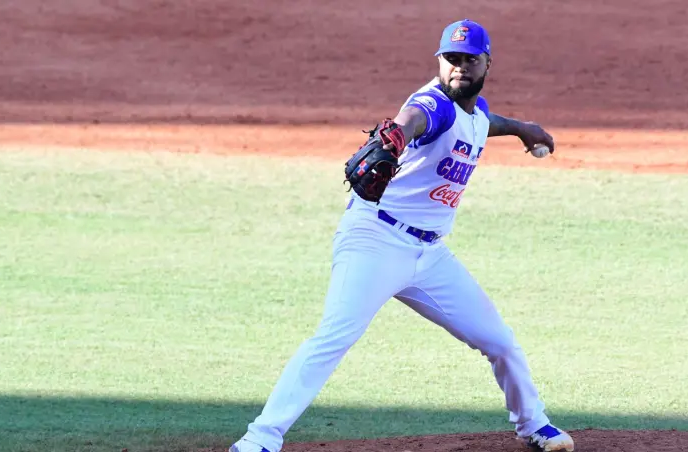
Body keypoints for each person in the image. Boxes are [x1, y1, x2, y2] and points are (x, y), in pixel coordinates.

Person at [230, 19, 574, 452]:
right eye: (451, 58)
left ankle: (533, 424)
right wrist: (396, 137)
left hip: (429, 255)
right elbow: (413, 119)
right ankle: (259, 439)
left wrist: (523, 127)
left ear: (487, 63)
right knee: (334, 337)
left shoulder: (474, 112)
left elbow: (485, 120)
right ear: (439, 60)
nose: (460, 67)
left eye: (469, 60)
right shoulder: (432, 105)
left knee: (500, 341)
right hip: (376, 240)